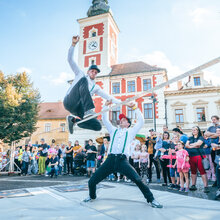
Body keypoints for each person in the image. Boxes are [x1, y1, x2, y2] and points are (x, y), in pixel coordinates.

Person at [83, 100, 163, 208]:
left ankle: (151, 199)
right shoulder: (113, 130)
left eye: (124, 120)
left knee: (138, 179)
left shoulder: (131, 131)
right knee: (92, 181)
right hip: (110, 160)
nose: (121, 121)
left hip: (122, 160)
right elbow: (105, 119)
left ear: (128, 124)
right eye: (120, 120)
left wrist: (135, 108)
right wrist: (105, 106)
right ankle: (92, 196)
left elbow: (141, 121)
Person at [64, 35, 121, 134]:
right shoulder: (80, 74)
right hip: (69, 101)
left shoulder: (96, 87)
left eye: (95, 72)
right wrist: (73, 44)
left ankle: (73, 120)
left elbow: (108, 96)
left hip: (77, 109)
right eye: (92, 71)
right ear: (88, 71)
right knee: (83, 81)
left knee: (97, 126)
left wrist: (121, 102)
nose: (94, 73)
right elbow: (70, 60)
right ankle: (89, 111)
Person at [185, 126, 209, 193]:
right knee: (193, 171)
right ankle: (193, 185)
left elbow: (199, 144)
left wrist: (191, 145)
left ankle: (206, 186)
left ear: (198, 130)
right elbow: (186, 145)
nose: (194, 131)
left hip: (200, 156)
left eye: (195, 130)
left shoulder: (201, 137)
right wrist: (194, 145)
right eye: (193, 130)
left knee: (202, 171)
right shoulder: (190, 138)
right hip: (191, 156)